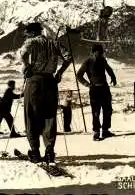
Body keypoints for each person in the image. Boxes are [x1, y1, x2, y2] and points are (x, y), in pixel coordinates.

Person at [20, 22, 72, 164]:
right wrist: (60, 72)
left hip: (34, 81)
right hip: (50, 82)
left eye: (27, 33)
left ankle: (35, 151)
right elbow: (68, 58)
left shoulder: (31, 42)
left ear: (31, 33)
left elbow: (23, 54)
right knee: (49, 116)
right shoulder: (53, 43)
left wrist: (27, 66)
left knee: (31, 115)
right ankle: (49, 151)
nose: (26, 35)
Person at [76, 44, 117, 140]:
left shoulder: (102, 60)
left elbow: (109, 69)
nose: (101, 54)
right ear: (94, 52)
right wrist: (87, 84)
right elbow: (79, 75)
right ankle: (96, 132)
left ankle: (105, 130)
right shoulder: (88, 62)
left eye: (102, 52)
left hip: (105, 89)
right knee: (96, 112)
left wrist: (113, 77)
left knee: (108, 110)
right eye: (99, 52)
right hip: (94, 90)